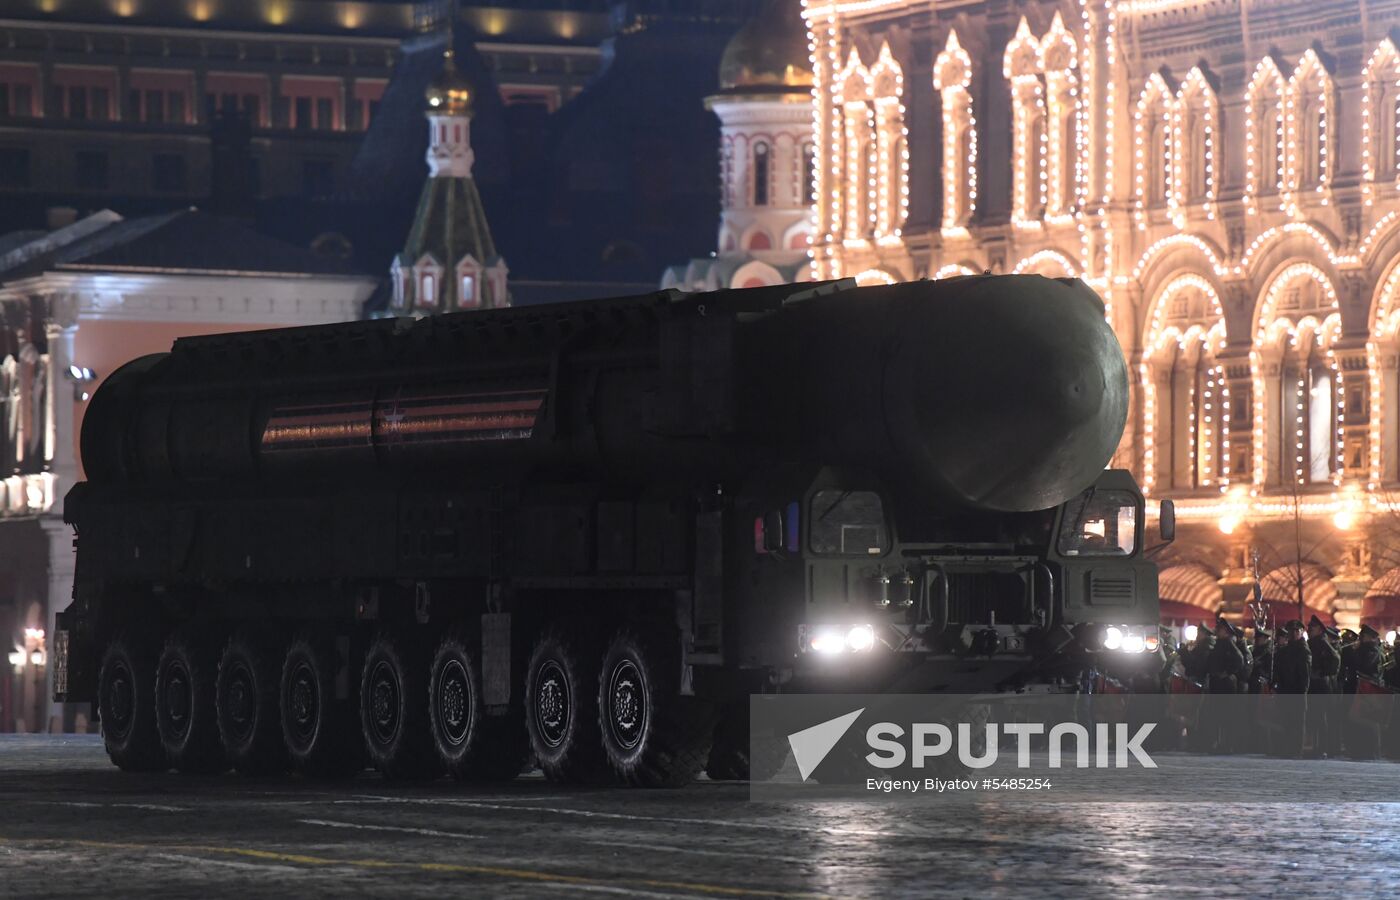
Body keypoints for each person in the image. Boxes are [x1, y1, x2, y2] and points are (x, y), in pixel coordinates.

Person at [1204, 618, 1246, 752]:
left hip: (1225, 684)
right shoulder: (1219, 644)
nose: (1217, 630)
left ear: (1226, 632)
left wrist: (1227, 672)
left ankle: (1227, 744)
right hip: (1216, 683)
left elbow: (1239, 660)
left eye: (1220, 628)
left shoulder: (1228, 644)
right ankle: (1217, 742)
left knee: (1227, 715)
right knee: (1216, 715)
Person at [1271, 619, 1311, 758]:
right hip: (1285, 690)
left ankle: (1296, 750)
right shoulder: (1285, 651)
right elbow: (1279, 671)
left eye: (1296, 631)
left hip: (1297, 691)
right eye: (1291, 631)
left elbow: (1304, 674)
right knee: (1286, 721)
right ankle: (1286, 748)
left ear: (1301, 632)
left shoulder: (1303, 650)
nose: (1293, 634)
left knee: (1297, 723)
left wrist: (1302, 692)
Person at [1347, 625, 1386, 759]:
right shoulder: (1366, 650)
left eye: (1364, 635)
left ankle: (1372, 751)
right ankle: (1362, 750)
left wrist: (1356, 652)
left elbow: (1364, 666)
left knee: (1369, 720)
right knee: (1361, 720)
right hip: (1365, 688)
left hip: (1370, 689)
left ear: (1371, 637)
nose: (1361, 638)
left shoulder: (1372, 651)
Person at [1305, 615, 1340, 757]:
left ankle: (1322, 748)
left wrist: (1323, 673)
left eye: (1311, 627)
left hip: (1321, 685)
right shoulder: (1310, 643)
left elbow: (1335, 660)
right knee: (1313, 717)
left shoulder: (1323, 643)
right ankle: (1315, 746)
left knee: (1320, 718)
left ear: (1319, 629)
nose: (1309, 629)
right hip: (1312, 684)